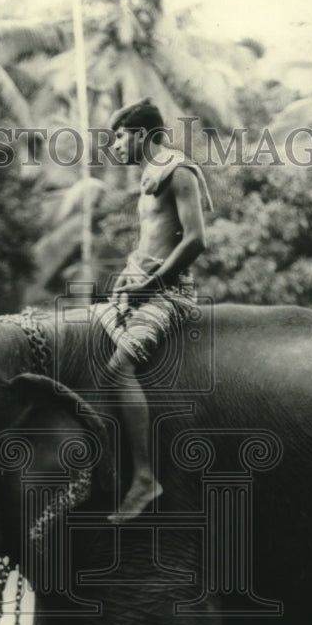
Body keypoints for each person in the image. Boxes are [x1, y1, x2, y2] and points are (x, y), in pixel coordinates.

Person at [101, 98, 213, 520]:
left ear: (144, 135)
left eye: (120, 136)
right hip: (142, 287)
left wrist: (152, 284)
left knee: (117, 368)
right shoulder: (150, 174)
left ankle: (146, 479)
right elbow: (153, 239)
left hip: (169, 295)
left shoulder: (179, 171)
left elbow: (196, 240)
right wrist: (131, 275)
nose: (115, 145)